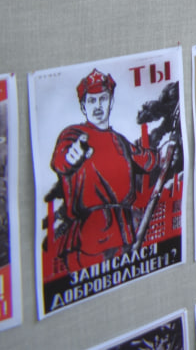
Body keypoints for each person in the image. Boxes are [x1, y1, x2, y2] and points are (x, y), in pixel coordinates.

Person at [49, 69, 168, 270]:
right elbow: (62, 159)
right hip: (90, 236)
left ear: (111, 102)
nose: (98, 106)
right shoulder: (73, 134)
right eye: (92, 100)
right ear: (83, 105)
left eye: (102, 99)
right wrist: (72, 155)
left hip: (124, 232)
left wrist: (166, 147)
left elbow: (148, 161)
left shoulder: (119, 141)